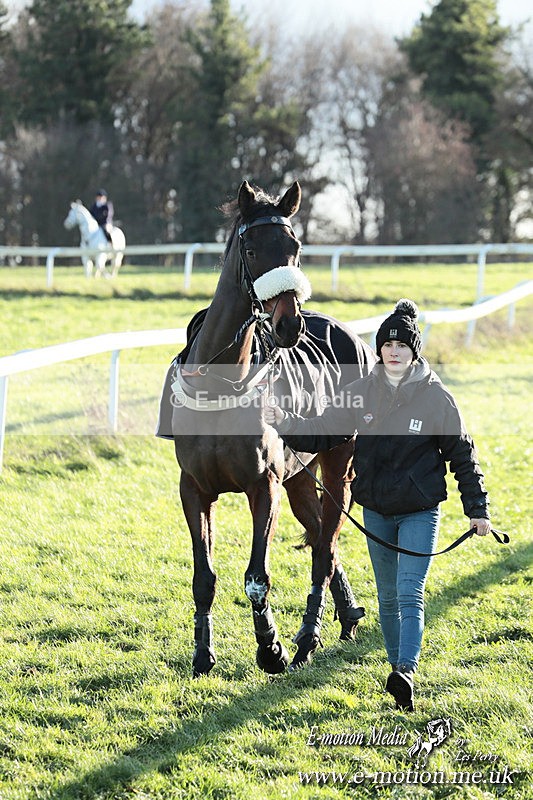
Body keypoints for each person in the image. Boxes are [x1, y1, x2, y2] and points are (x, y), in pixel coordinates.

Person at [264, 298, 491, 711]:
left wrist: (477, 510)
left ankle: (406, 669)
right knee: (387, 597)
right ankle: (396, 676)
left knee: (409, 592)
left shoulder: (436, 398)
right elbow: (323, 430)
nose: (392, 351)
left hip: (419, 510)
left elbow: (462, 454)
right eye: (387, 345)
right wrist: (282, 422)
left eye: (401, 346)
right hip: (376, 511)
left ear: (413, 351)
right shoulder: (363, 391)